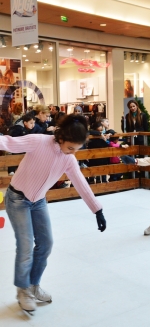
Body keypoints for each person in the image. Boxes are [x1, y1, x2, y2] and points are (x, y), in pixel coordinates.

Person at [3, 114, 106, 314]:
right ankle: (22, 290)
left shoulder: (69, 158)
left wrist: (97, 209)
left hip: (38, 200)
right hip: (17, 199)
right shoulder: (38, 141)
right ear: (60, 138)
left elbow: (80, 183)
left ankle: (33, 285)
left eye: (76, 150)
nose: (72, 153)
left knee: (46, 243)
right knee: (25, 246)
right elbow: (8, 142)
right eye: (70, 148)